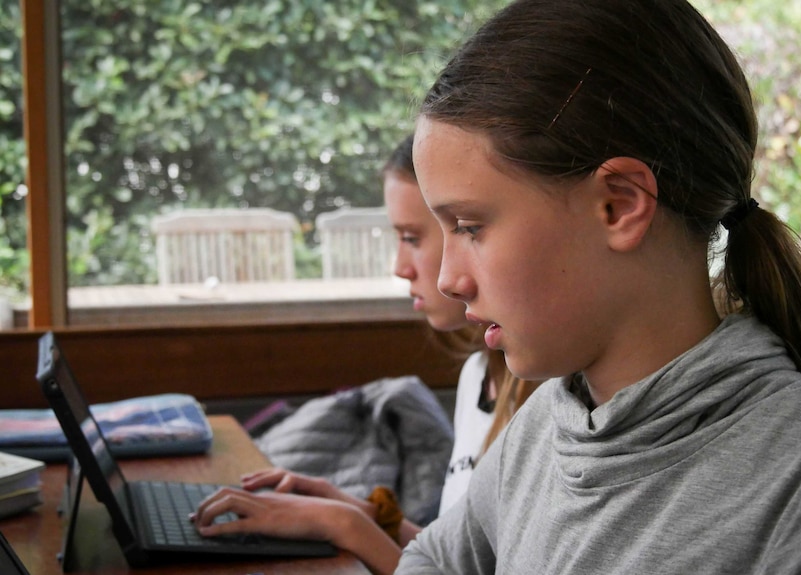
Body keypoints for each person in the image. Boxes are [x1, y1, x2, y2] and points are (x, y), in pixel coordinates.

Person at [395, 0, 801, 573]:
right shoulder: (544, 424)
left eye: (469, 226)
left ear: (619, 206)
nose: (448, 279)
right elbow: (434, 559)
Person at [190, 134, 541, 575]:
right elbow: (459, 562)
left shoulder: (543, 401)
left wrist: (347, 525)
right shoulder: (478, 375)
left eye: (412, 237)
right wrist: (363, 514)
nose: (399, 267)